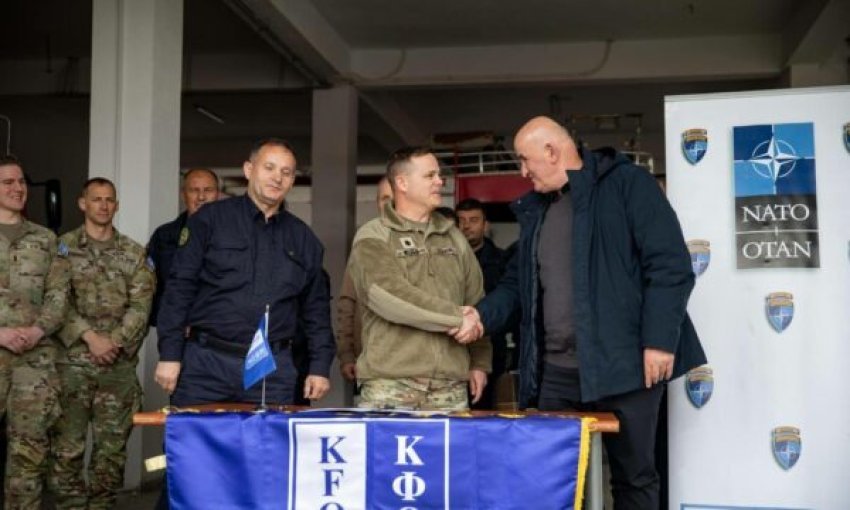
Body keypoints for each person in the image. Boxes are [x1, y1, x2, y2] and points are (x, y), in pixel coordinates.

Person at [463, 116, 706, 509]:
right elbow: (515, 285)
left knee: (634, 478)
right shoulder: (538, 210)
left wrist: (660, 341)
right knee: (552, 482)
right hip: (557, 373)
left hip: (628, 367)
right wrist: (480, 317)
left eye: (524, 160)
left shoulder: (629, 184)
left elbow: (669, 267)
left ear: (551, 152)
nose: (522, 172)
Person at [154, 138, 334, 407]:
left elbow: (316, 311)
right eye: (269, 168)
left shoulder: (303, 238)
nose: (277, 178)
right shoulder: (209, 220)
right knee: (195, 435)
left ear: (292, 181)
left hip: (270, 369)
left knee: (268, 436)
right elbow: (179, 289)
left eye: (286, 172)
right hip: (206, 364)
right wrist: (170, 354)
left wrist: (319, 367)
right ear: (249, 170)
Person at [346, 146, 490, 411]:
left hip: (450, 385)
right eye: (429, 175)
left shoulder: (454, 237)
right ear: (402, 183)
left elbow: (475, 300)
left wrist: (480, 363)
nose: (439, 181)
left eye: (439, 175)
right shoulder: (374, 235)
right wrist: (456, 318)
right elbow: (389, 296)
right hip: (391, 385)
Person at [50, 177, 154, 509]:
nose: (104, 205)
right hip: (72, 367)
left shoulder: (134, 253)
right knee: (67, 450)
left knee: (111, 454)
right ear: (83, 204)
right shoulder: (61, 249)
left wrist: (113, 343)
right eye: (96, 199)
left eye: (109, 200)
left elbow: (141, 307)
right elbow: (55, 302)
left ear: (117, 205)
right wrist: (90, 338)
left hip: (117, 369)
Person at [0, 156, 68, 509]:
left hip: (34, 360)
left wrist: (38, 330)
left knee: (29, 451)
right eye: (8, 182)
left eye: (21, 182)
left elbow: (59, 294)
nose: (18, 188)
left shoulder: (45, 239)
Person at [336, 176, 393, 384]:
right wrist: (346, 354)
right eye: (384, 199)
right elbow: (347, 301)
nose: (390, 205)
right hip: (371, 361)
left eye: (395, 199)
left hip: (415, 364)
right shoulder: (365, 240)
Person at [147, 168, 220, 326]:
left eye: (208, 190)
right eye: (194, 190)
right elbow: (149, 287)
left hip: (220, 329)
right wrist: (172, 319)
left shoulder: (235, 234)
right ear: (183, 194)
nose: (201, 197)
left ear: (218, 194)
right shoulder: (164, 236)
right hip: (176, 328)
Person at [455, 198, 509, 409]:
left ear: (486, 225)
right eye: (461, 220)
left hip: (491, 346)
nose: (466, 226)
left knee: (484, 409)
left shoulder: (502, 260)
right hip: (452, 345)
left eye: (474, 220)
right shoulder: (446, 260)